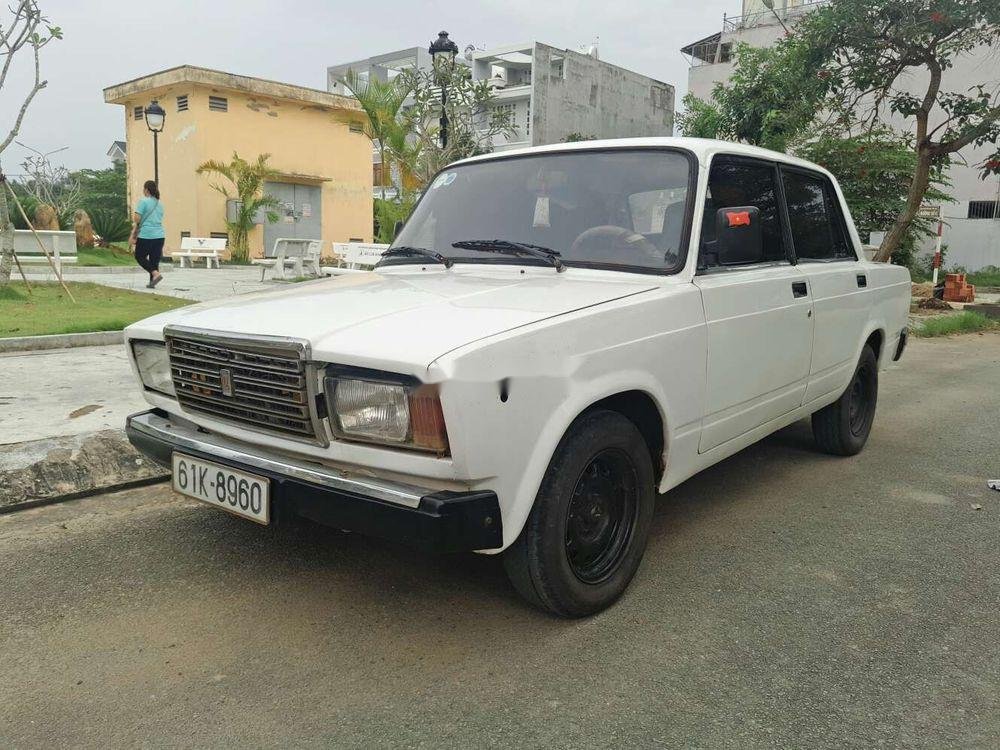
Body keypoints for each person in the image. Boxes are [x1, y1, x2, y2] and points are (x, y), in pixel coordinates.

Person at [130, 180, 165, 288]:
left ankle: (155, 274)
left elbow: (137, 219)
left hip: (146, 235)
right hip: (160, 235)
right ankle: (152, 282)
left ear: (146, 190)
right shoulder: (160, 204)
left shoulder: (143, 201)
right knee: (154, 260)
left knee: (139, 256)